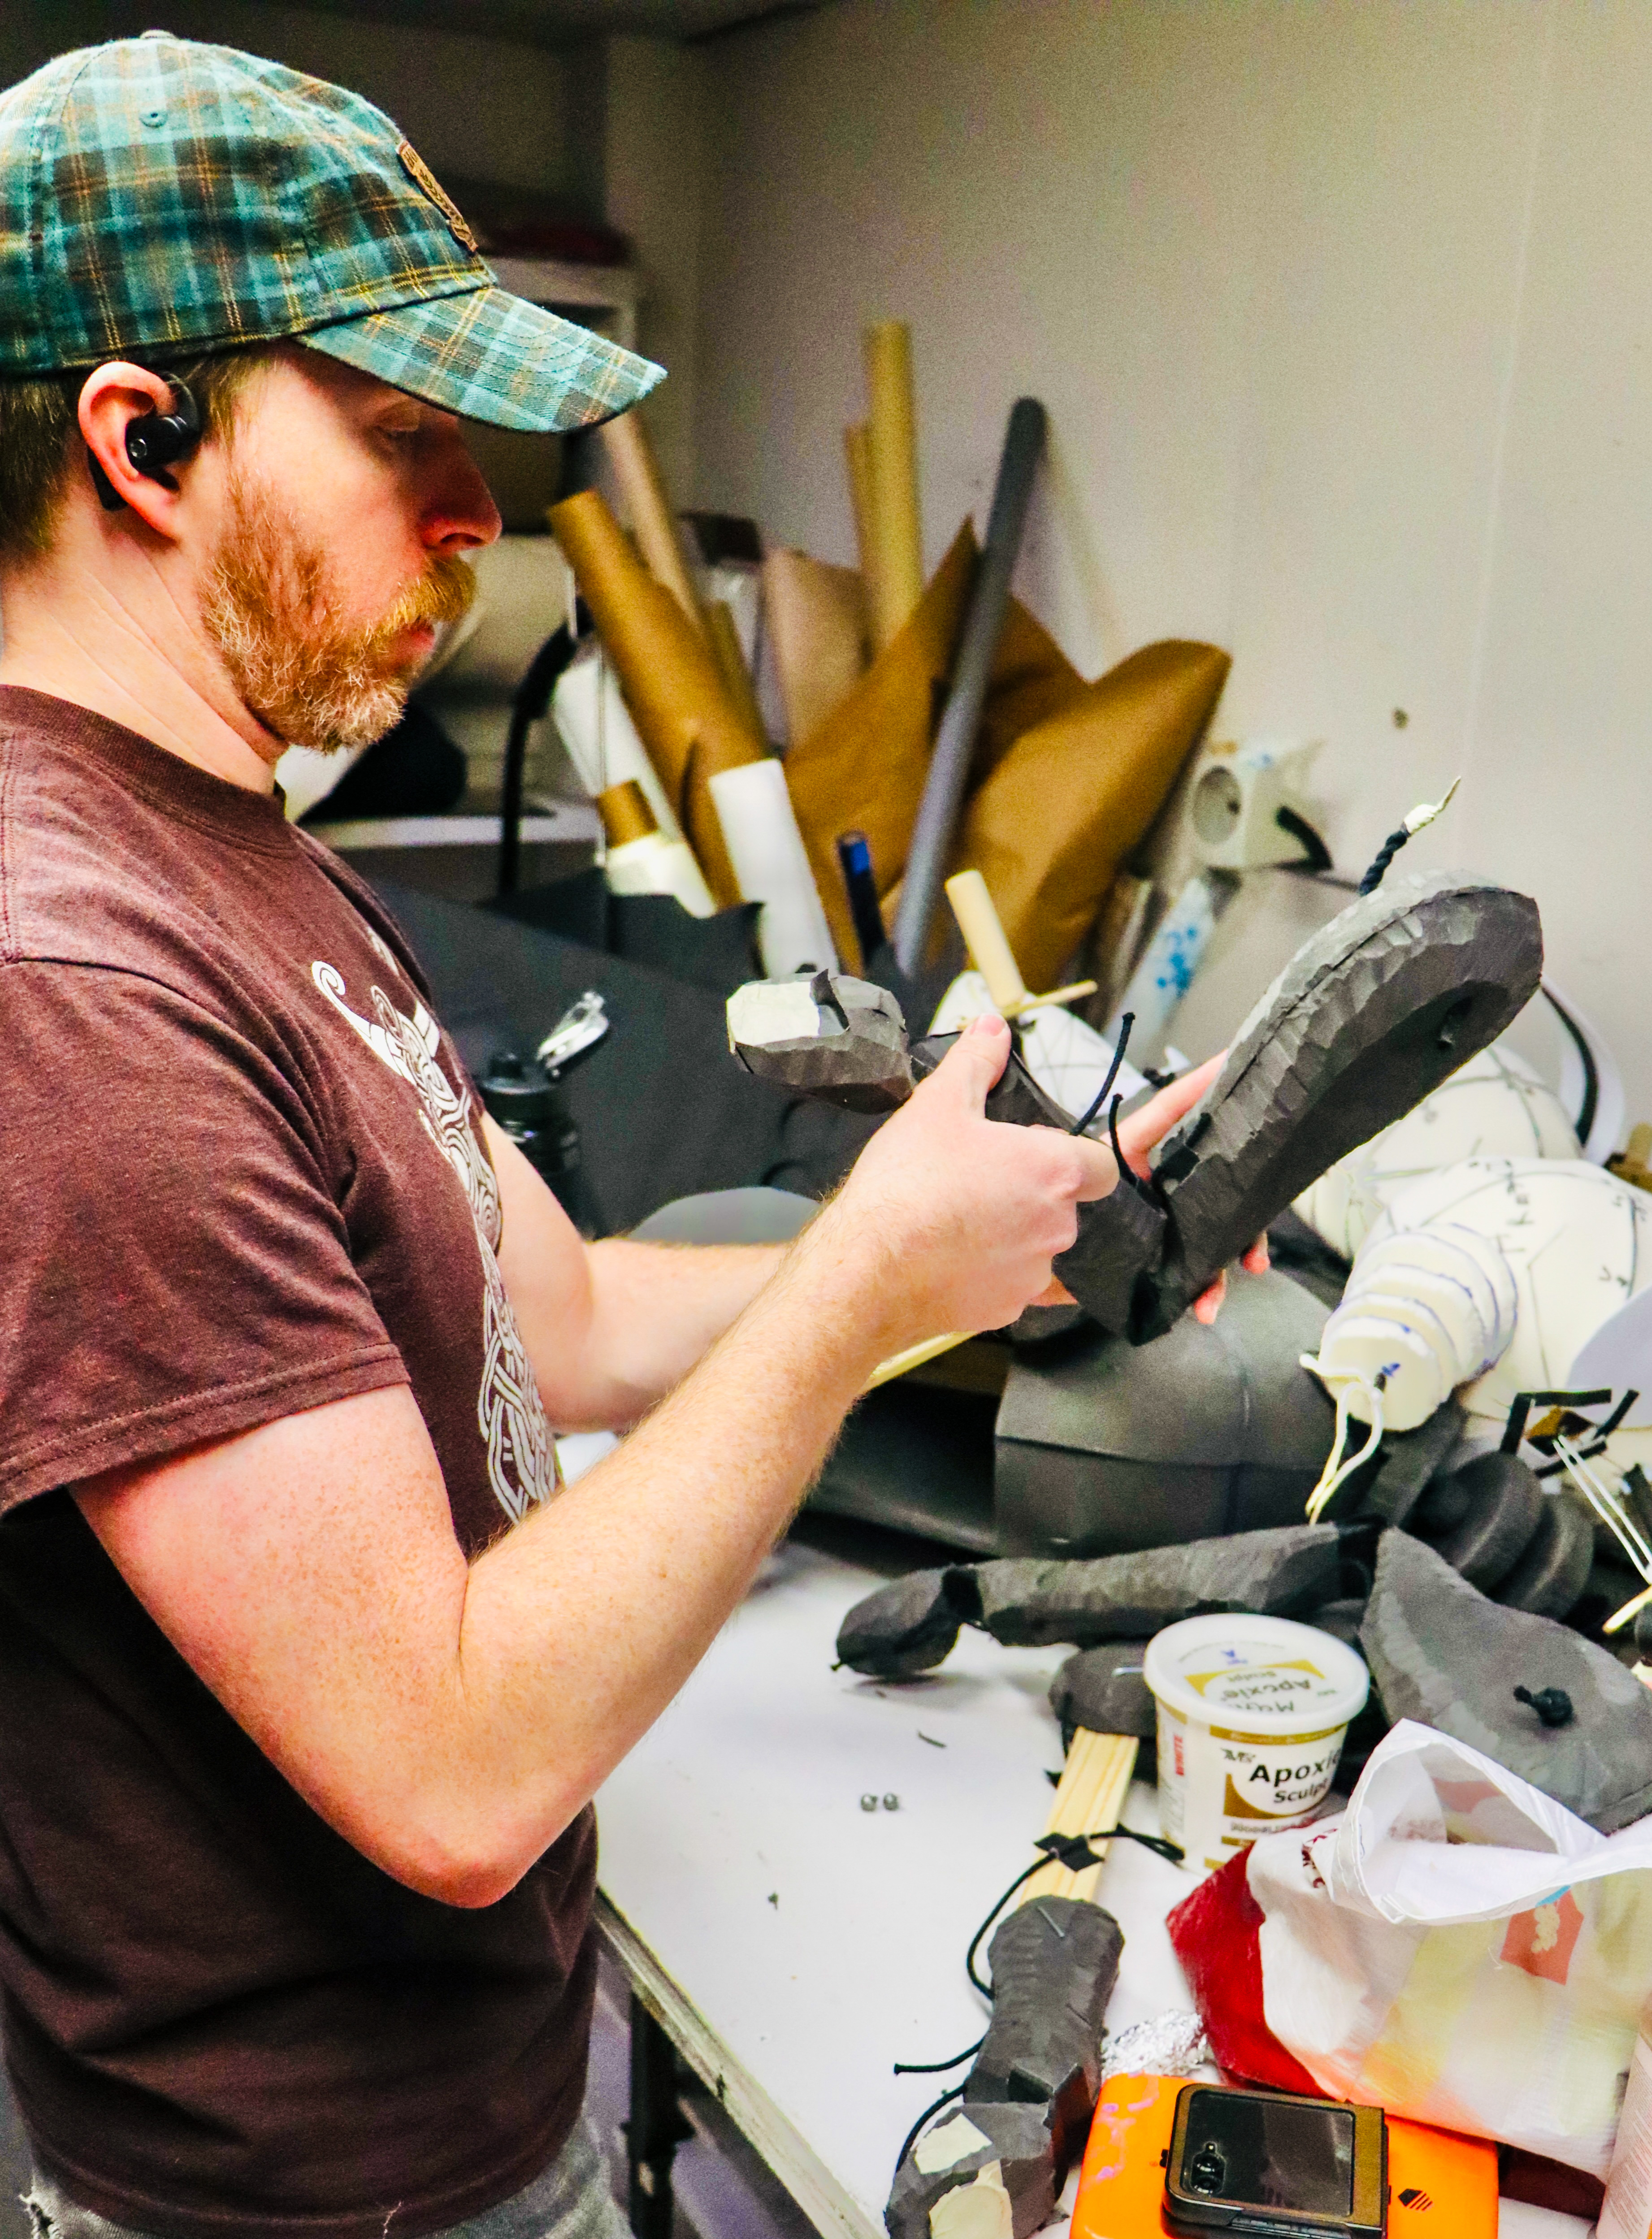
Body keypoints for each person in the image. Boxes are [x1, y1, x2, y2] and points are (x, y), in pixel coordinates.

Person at [0, 32, 1257, 2239]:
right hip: (310, 2205)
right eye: (404, 440)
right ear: (145, 441)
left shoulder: (242, 854)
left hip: (468, 2111)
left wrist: (989, 1240)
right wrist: (863, 1279)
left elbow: (558, 1323)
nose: (482, 514)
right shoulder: (72, 981)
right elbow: (454, 1761)